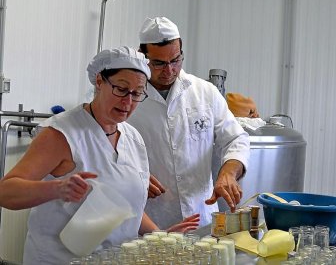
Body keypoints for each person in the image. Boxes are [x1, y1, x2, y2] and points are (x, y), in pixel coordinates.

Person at [0, 46, 199, 264]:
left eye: (137, 93)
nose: (128, 101)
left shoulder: (132, 138)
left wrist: (159, 235)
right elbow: (6, 191)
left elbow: (124, 205)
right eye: (121, 89)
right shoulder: (62, 133)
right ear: (99, 81)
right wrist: (56, 189)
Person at [127, 17, 250, 229]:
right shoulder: (128, 98)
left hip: (202, 216)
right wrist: (130, 175)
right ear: (142, 56)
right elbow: (105, 148)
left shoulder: (205, 92)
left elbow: (236, 138)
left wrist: (229, 172)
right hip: (151, 221)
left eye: (175, 60)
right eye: (158, 63)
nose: (169, 70)